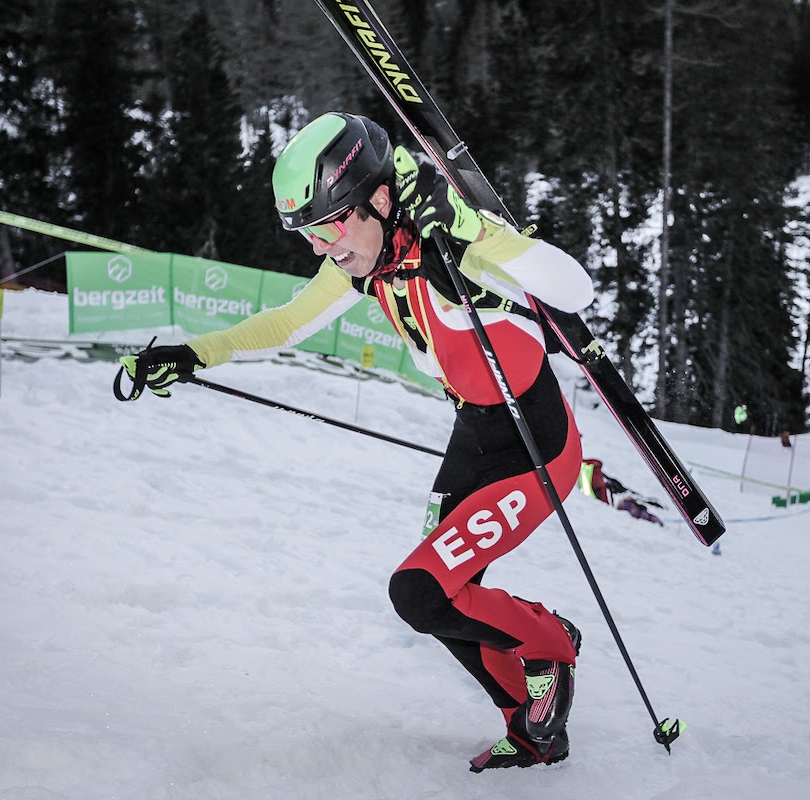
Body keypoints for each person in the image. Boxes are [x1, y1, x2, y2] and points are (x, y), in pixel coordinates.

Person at [118, 112, 594, 771]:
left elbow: (575, 289)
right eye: (310, 234)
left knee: (421, 592)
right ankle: (530, 726)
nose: (321, 246)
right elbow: (285, 323)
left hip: (536, 451)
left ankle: (552, 646)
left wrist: (469, 229)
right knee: (448, 595)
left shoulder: (456, 244)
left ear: (375, 199)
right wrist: (191, 354)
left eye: (329, 226)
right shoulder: (369, 263)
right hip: (475, 440)